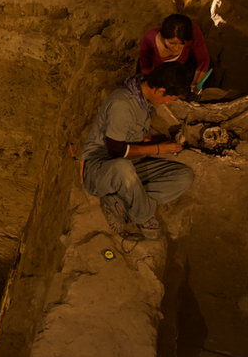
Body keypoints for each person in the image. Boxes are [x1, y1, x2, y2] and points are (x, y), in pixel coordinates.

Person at [80, 63, 194, 240]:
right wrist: (159, 149)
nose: (169, 103)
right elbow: (116, 151)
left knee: (183, 176)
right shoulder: (122, 103)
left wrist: (151, 141)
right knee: (123, 168)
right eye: (170, 98)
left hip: (131, 165)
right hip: (101, 168)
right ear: (160, 91)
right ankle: (143, 216)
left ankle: (119, 201)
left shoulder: (142, 95)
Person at [138, 14, 210, 91]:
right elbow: (146, 71)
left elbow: (203, 60)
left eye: (182, 43)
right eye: (172, 43)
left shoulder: (193, 32)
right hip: (155, 75)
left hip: (181, 71)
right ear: (162, 36)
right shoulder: (149, 40)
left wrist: (196, 84)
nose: (176, 48)